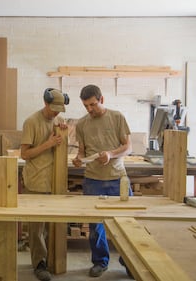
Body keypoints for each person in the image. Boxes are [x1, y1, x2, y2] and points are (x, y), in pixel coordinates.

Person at [72, 84, 134, 278]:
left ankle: (129, 262)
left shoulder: (117, 117)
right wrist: (78, 158)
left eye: (93, 104)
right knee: (95, 226)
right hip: (93, 179)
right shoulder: (82, 124)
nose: (90, 109)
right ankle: (100, 262)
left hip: (117, 178)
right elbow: (82, 150)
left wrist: (110, 154)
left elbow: (128, 147)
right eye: (86, 106)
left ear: (102, 99)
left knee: (127, 224)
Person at [20, 88, 69, 281]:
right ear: (45, 103)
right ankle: (39, 264)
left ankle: (50, 261)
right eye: (54, 109)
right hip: (36, 181)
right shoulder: (31, 122)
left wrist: (65, 135)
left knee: (53, 226)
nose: (56, 113)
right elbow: (24, 154)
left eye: (59, 109)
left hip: (54, 182)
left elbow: (61, 149)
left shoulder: (58, 121)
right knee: (36, 228)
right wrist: (48, 144)